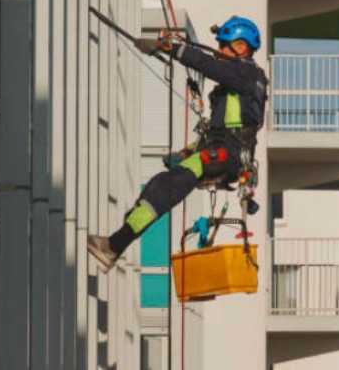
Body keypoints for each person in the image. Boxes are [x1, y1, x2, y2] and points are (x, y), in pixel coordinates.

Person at [88, 16, 268, 272]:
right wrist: (187, 152)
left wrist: (174, 48)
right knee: (161, 184)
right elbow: (226, 131)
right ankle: (114, 243)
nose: (218, 51)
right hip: (225, 153)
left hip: (226, 155)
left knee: (166, 187)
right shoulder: (240, 84)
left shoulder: (246, 73)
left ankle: (114, 246)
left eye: (223, 45)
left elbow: (207, 65)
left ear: (241, 47)